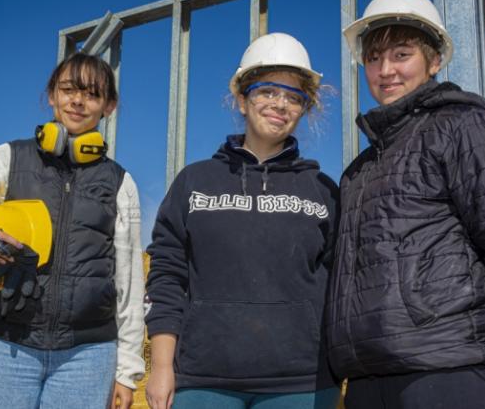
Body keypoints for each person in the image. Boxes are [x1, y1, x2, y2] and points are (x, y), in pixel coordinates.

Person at [326, 0, 485, 408]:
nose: (385, 70)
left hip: (445, 371)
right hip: (369, 374)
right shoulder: (359, 170)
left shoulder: (464, 126)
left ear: (434, 61)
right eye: (374, 58)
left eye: (401, 54)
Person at [0, 52, 145, 409]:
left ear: (109, 106)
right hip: (5, 344)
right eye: (68, 89)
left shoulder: (120, 182)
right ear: (51, 95)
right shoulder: (9, 157)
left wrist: (126, 372)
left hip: (88, 356)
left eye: (92, 94)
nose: (78, 101)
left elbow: (128, 282)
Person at [145, 32, 340, 409]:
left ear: (304, 108)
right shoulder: (194, 181)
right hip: (204, 380)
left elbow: (340, 285)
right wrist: (162, 366)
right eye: (268, 91)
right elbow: (168, 276)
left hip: (302, 383)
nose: (280, 104)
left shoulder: (323, 191)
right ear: (241, 98)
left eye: (294, 97)